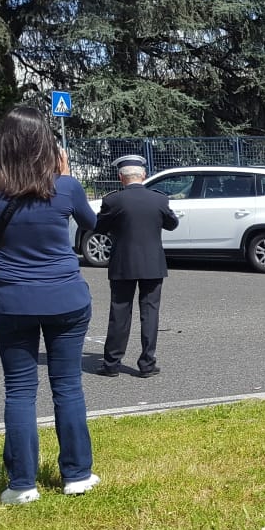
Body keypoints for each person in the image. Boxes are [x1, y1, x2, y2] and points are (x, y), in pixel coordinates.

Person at [0, 106, 100, 506]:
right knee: (68, 386)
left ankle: (22, 485)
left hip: (9, 299)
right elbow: (91, 222)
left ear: (2, 145)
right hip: (65, 296)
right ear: (48, 144)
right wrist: (62, 171)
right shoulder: (66, 186)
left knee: (20, 390)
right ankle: (76, 475)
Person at [94, 154, 179, 378]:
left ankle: (112, 364)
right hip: (152, 263)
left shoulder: (113, 200)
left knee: (120, 312)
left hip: (123, 263)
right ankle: (147, 364)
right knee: (150, 313)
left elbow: (99, 228)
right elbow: (172, 224)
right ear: (144, 175)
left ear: (121, 178)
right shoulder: (159, 199)